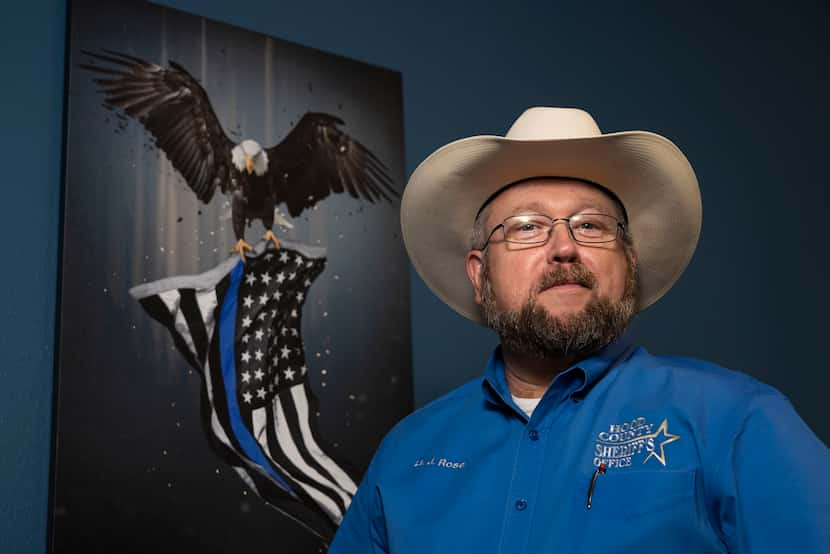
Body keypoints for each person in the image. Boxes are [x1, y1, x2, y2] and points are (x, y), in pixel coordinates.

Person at [328, 107, 829, 553]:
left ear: (628, 263)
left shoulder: (737, 422)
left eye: (591, 226)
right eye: (526, 226)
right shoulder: (406, 453)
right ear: (481, 275)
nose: (564, 247)